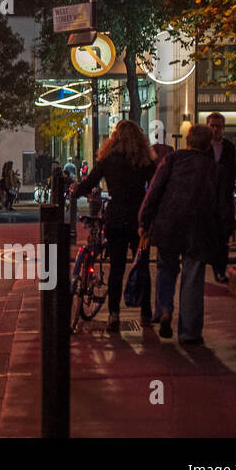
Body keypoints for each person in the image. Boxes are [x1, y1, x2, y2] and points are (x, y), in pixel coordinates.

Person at [138, 125, 233, 344]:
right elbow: (223, 207)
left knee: (166, 268)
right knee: (192, 276)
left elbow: (155, 190)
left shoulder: (172, 160)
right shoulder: (215, 170)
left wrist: (145, 220)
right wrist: (225, 231)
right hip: (199, 228)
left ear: (187, 140)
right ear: (208, 144)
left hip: (169, 223)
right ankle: (189, 332)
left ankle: (164, 310)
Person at [71, 120, 158, 331]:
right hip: (139, 218)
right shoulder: (144, 159)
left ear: (116, 137)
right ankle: (145, 313)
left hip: (116, 217)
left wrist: (75, 191)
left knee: (116, 269)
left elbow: (90, 182)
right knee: (142, 265)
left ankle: (113, 315)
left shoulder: (109, 159)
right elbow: (156, 184)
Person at [206, 113, 236, 283]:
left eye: (218, 126)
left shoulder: (229, 147)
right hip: (208, 199)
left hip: (223, 199)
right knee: (210, 236)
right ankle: (214, 267)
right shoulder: (203, 147)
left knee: (222, 236)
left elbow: (231, 171)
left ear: (223, 127)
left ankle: (220, 270)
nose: (215, 129)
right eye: (212, 126)